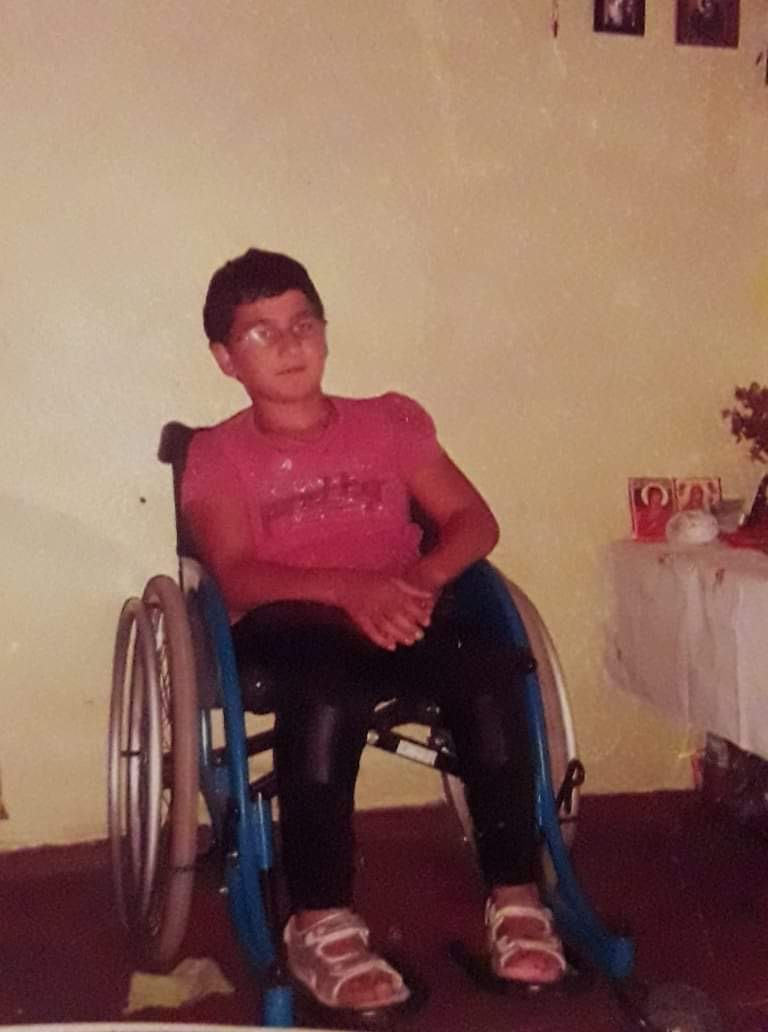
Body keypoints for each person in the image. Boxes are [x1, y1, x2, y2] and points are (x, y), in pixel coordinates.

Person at [181, 247, 566, 1013]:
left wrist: (418, 581)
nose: (289, 344)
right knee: (328, 690)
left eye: (303, 324)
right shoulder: (217, 454)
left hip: (401, 601)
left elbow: (473, 521)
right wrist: (349, 590)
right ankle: (319, 922)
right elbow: (237, 574)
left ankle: (516, 898)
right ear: (225, 359)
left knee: (489, 670)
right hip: (291, 621)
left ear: (325, 331)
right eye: (260, 333)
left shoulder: (388, 422)